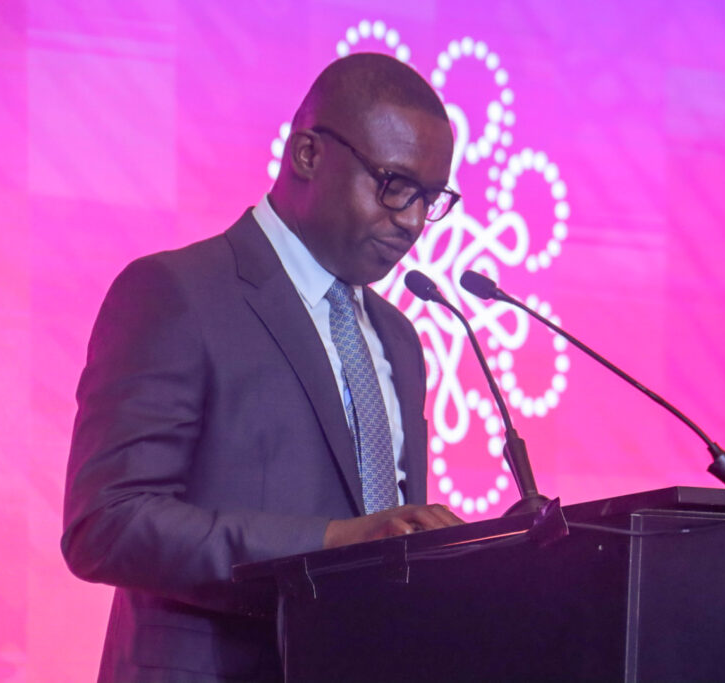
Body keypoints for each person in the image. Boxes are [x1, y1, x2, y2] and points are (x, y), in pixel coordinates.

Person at [61, 53, 463, 682]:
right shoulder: (177, 293)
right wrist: (331, 542)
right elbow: (106, 524)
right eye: (394, 185)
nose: (413, 220)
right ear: (307, 155)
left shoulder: (400, 338)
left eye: (431, 199)